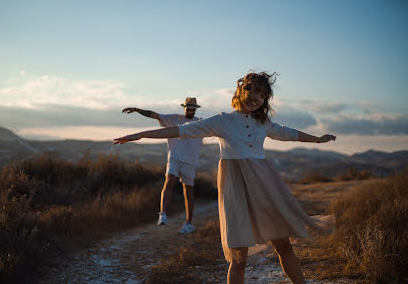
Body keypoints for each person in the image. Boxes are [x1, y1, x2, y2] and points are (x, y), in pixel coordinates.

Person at [115, 72, 336, 284]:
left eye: (262, 97)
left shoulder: (263, 123)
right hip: (235, 190)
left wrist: (317, 139)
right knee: (238, 257)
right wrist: (140, 135)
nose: (258, 100)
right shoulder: (223, 121)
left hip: (266, 187)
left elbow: (289, 133)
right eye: (254, 93)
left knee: (284, 245)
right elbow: (181, 130)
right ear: (241, 91)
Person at [121, 97, 203, 234]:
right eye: (188, 108)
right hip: (175, 158)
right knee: (169, 180)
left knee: (189, 194)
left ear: (196, 109)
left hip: (190, 162)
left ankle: (189, 223)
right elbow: (154, 115)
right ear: (184, 108)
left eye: (192, 108)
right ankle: (162, 214)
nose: (190, 110)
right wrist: (137, 110)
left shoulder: (200, 123)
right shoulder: (174, 119)